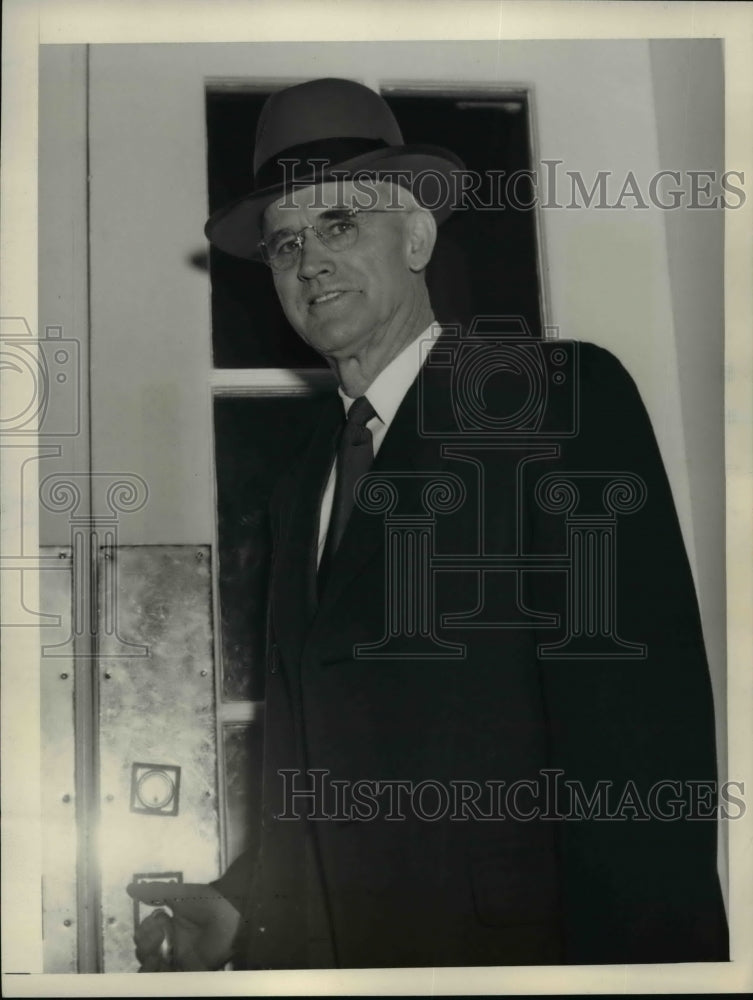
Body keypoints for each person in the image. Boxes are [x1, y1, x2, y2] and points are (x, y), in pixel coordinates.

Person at [129, 77, 728, 970]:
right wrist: (244, 904)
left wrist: (653, 973)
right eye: (286, 241)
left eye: (339, 224)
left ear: (416, 235)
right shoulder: (304, 484)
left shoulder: (553, 402)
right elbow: (325, 763)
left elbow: (640, 747)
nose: (309, 260)